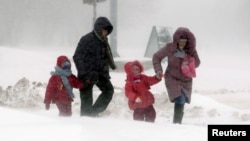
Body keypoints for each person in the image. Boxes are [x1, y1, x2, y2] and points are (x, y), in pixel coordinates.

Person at [152, 27, 201, 124]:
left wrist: (187, 59)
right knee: (180, 98)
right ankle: (177, 124)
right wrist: (158, 70)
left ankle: (177, 123)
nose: (182, 43)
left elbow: (197, 63)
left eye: (184, 41)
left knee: (181, 100)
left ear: (188, 41)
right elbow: (156, 57)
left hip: (186, 80)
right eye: (180, 40)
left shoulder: (191, 50)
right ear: (177, 40)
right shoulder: (170, 48)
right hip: (172, 78)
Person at [73, 17, 116, 117]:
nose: (106, 32)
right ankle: (86, 121)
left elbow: (104, 59)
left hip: (100, 74)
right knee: (86, 102)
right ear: (99, 28)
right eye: (104, 29)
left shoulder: (104, 41)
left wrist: (105, 72)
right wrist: (84, 74)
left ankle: (93, 112)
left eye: (107, 30)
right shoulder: (86, 39)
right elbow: (77, 56)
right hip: (87, 76)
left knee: (109, 91)